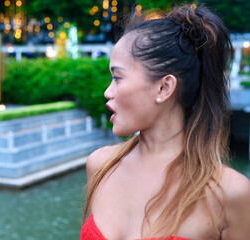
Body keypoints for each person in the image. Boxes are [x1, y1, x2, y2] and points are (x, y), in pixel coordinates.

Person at [81, 4, 250, 240]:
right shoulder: (100, 165)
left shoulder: (230, 193)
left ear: (164, 87)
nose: (107, 92)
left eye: (118, 78)